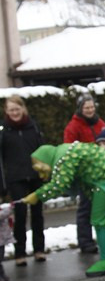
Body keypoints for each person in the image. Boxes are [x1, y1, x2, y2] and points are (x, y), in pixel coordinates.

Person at [22, 142, 105, 277]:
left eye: (41, 169)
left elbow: (59, 184)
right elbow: (83, 179)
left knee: (100, 222)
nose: (42, 176)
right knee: (101, 222)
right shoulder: (67, 151)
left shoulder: (63, 157)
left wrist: (37, 195)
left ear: (46, 158)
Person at [0, 95, 46, 265]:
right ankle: (20, 253)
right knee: (19, 215)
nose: (14, 113)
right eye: (11, 110)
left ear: (23, 109)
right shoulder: (3, 130)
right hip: (15, 178)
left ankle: (39, 250)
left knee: (37, 214)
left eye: (17, 109)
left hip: (34, 176)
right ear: (7, 111)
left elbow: (43, 150)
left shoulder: (33, 126)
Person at [64, 92, 105, 254]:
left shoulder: (100, 123)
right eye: (86, 107)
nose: (89, 110)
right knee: (85, 208)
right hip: (85, 173)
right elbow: (69, 149)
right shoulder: (73, 126)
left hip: (101, 171)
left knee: (102, 207)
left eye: (91, 107)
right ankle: (85, 241)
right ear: (80, 109)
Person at [0, 201, 13, 281]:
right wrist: (10, 209)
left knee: (0, 259)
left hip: (2, 240)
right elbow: (1, 215)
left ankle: (2, 275)